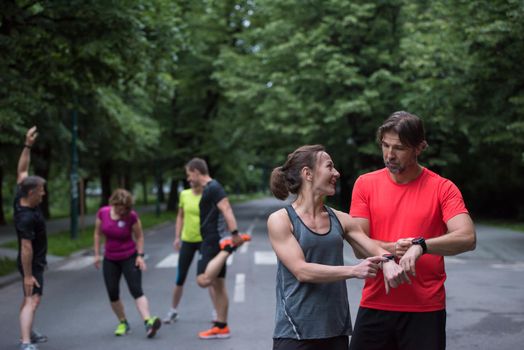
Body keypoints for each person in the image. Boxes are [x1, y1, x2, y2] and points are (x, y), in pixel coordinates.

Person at [348, 111, 477, 350]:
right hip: (376, 304)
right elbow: (358, 246)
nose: (389, 155)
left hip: (425, 309)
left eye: (399, 148)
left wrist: (421, 246)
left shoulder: (442, 188)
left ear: (419, 148)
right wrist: (393, 249)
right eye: (385, 146)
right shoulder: (365, 184)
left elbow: (467, 237)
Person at [267, 145, 409, 350]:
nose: (337, 173)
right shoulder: (281, 220)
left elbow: (371, 247)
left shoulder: (341, 219)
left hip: (336, 331)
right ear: (308, 173)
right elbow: (301, 270)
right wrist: (354, 270)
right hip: (295, 332)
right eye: (329, 167)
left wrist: (388, 261)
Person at [184, 157, 251, 339]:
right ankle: (221, 326)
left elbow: (226, 208)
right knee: (219, 285)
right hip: (211, 239)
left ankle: (228, 249)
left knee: (203, 280)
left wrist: (235, 233)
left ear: (197, 172)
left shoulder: (214, 187)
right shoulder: (209, 188)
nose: (189, 180)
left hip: (212, 241)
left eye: (190, 176)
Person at [93, 189, 161, 338]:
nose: (122, 211)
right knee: (112, 292)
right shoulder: (103, 213)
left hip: (129, 256)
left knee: (136, 289)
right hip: (110, 258)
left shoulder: (131, 216)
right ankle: (123, 322)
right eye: (119, 207)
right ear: (113, 203)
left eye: (125, 208)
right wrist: (97, 254)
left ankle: (148, 322)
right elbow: (97, 233)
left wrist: (140, 256)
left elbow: (140, 237)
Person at [163, 179, 217, 324]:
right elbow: (180, 216)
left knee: (208, 277)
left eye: (193, 178)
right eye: (189, 178)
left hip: (203, 241)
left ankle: (216, 312)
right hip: (187, 240)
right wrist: (177, 237)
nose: (190, 180)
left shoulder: (208, 195)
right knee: (180, 277)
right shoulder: (184, 194)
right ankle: (173, 311)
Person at [15, 126, 48, 350]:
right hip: (31, 262)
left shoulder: (21, 195)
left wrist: (27, 145)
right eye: (41, 191)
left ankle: (27, 333)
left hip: (34, 262)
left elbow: (22, 171)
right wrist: (28, 275)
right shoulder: (26, 217)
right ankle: (26, 342)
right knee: (32, 299)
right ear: (31, 193)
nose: (44, 193)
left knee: (32, 299)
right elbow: (26, 248)